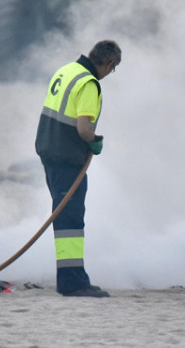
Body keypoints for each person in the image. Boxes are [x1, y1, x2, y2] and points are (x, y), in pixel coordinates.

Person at [35, 40, 122, 298]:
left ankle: (76, 276)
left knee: (65, 215)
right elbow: (84, 128)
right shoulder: (89, 84)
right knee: (70, 219)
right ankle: (72, 283)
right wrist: (95, 141)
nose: (109, 74)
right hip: (67, 157)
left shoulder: (67, 71)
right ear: (108, 63)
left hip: (48, 149)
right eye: (112, 69)